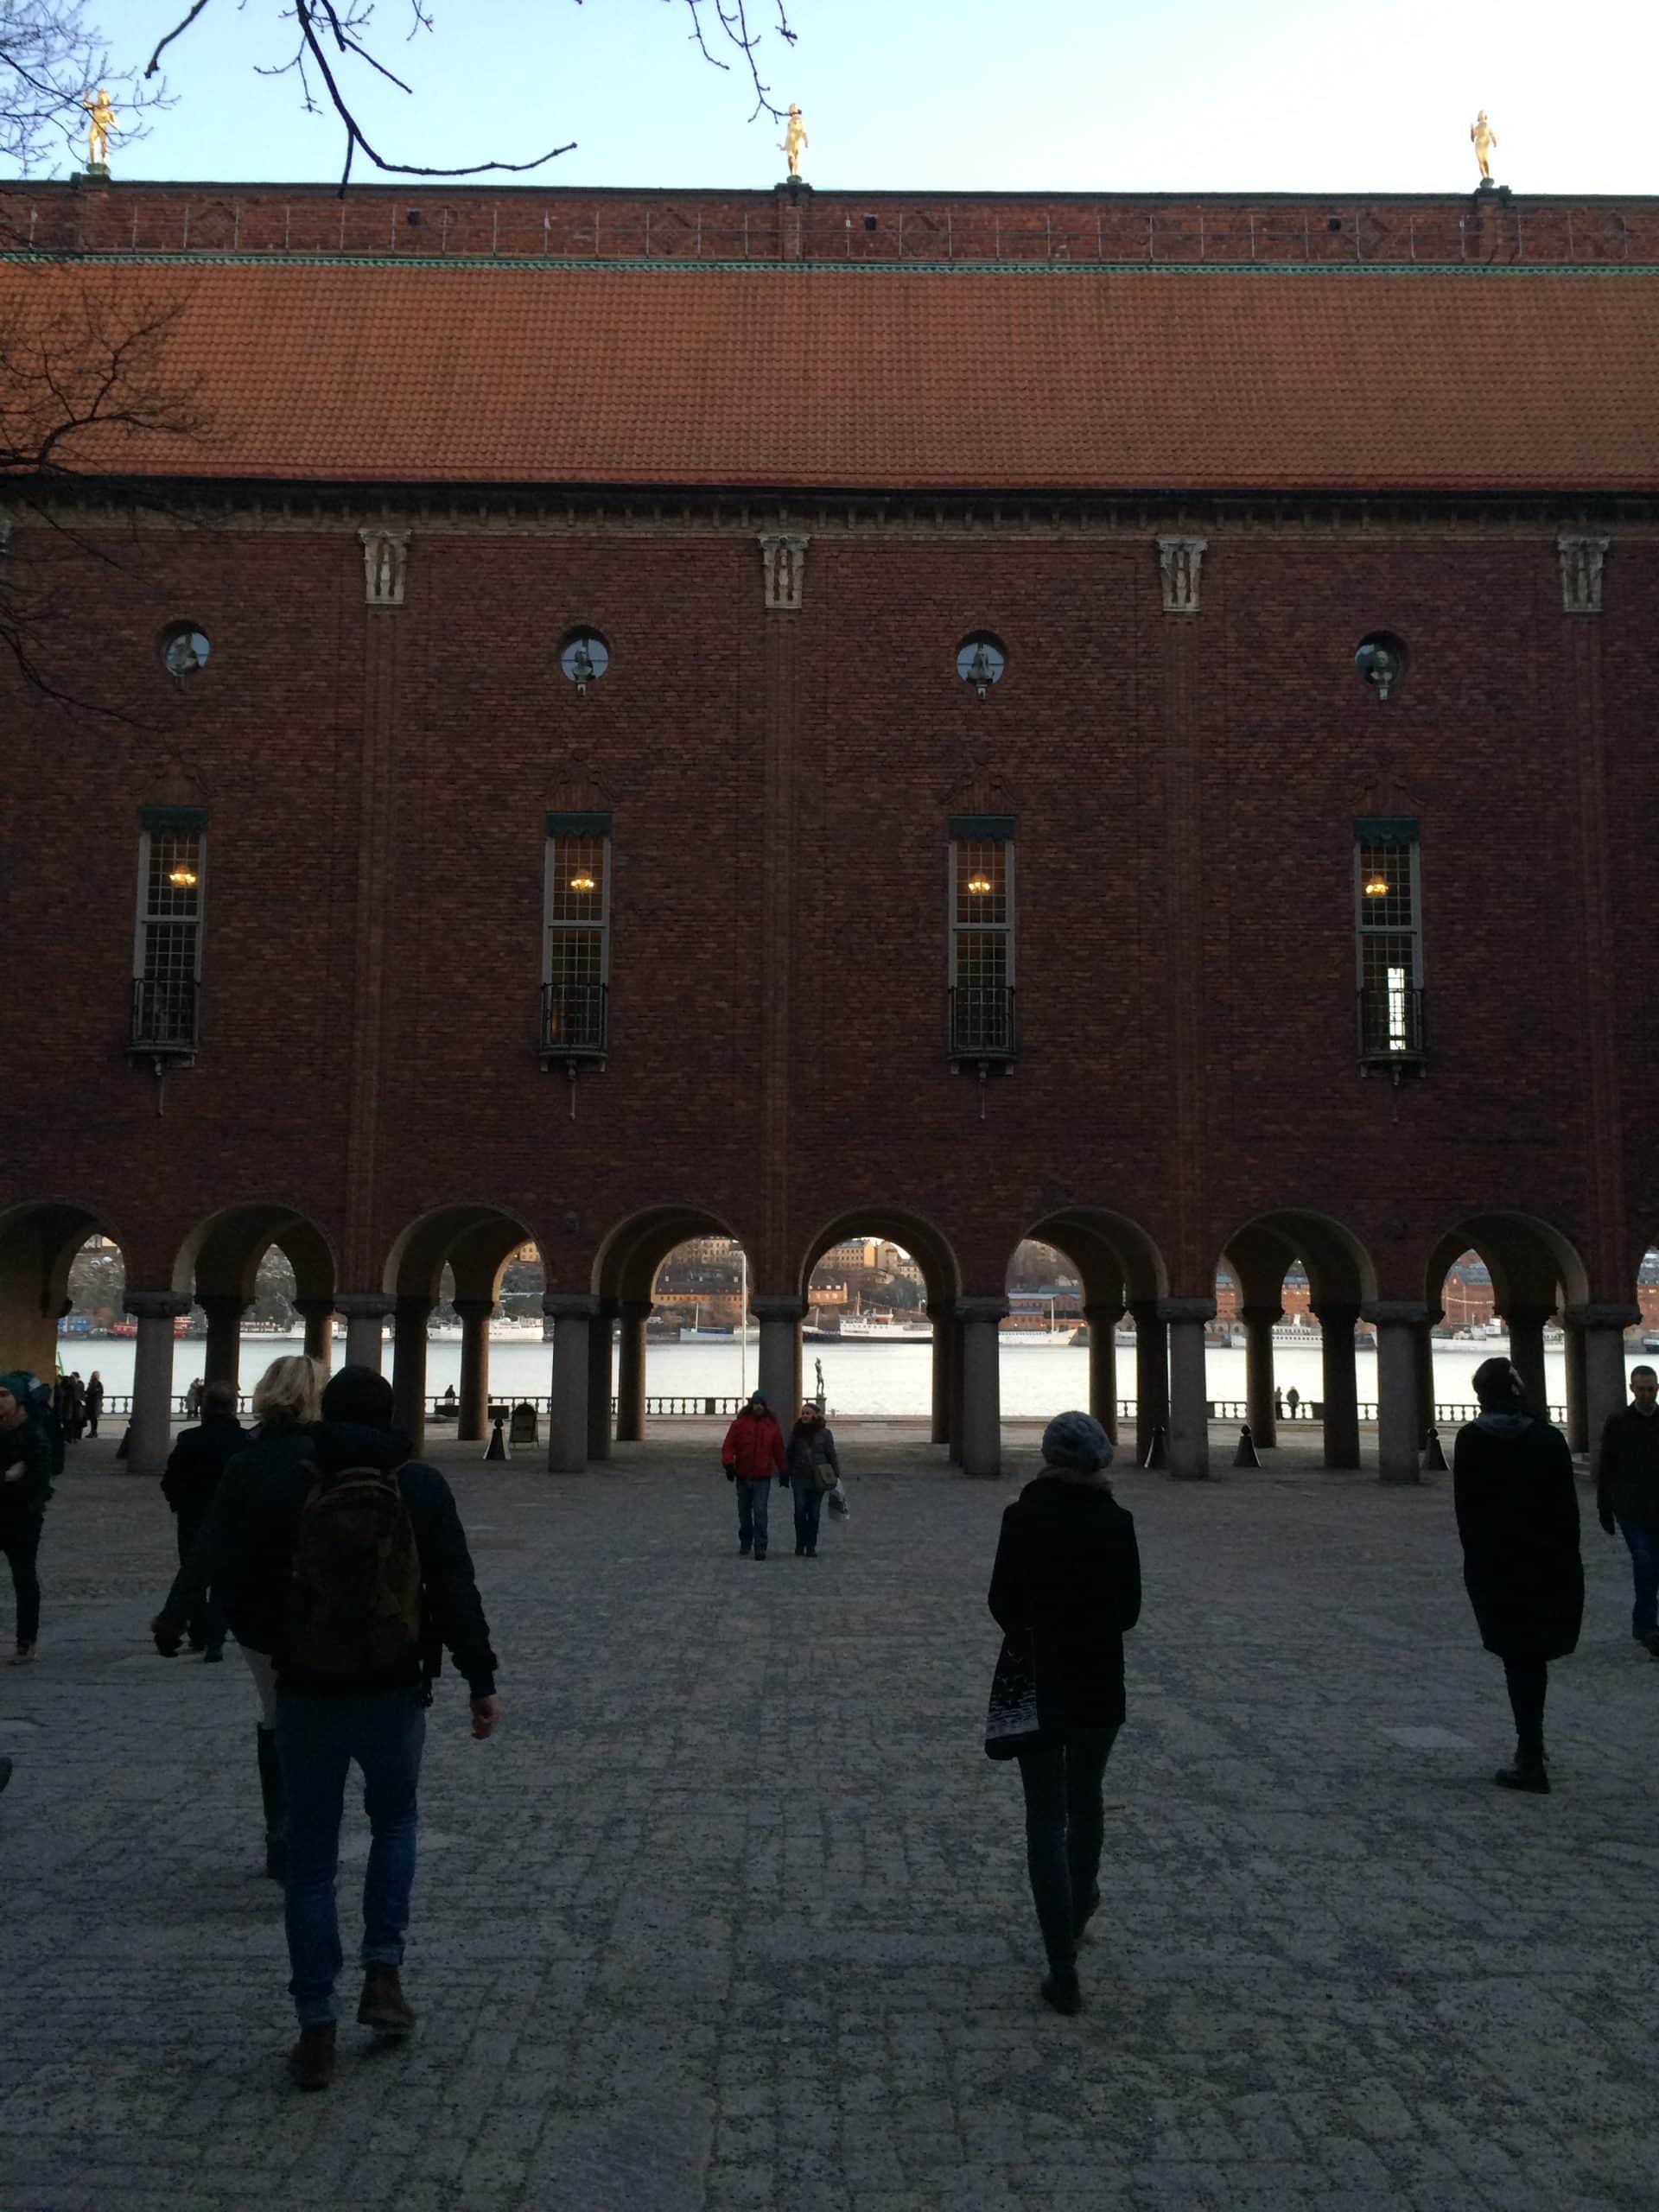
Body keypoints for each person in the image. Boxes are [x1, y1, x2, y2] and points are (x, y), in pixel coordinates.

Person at [213, 1364, 500, 2091]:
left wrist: (275, 1650)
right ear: (391, 1415)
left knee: (311, 1857)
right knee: (395, 1823)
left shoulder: (288, 1481)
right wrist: (480, 1679)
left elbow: (237, 1579)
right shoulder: (420, 1485)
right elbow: (455, 1586)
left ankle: (316, 2025)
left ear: (325, 1413)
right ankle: (384, 1976)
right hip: (394, 1686)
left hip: (306, 1689)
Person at [987, 1410, 1141, 2017]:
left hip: (1040, 1682)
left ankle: (1061, 1966)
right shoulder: (1117, 1521)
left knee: (1045, 1820)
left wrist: (1038, 1626)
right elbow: (1128, 1611)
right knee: (1087, 1800)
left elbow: (1002, 1602)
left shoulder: (1022, 1517)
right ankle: (1078, 1913)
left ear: (1050, 1456)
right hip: (1099, 1683)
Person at [153, 1354, 324, 1879]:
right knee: (322, 1716)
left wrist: (175, 1613)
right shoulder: (330, 1457)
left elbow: (210, 1541)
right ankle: (312, 1823)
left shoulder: (246, 1461)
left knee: (276, 1715)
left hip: (256, 1611)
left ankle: (281, 1824)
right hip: (321, 1608)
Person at [1453, 1357, 1582, 1794]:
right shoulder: (1547, 1438)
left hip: (1498, 1564)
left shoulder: (1471, 1440)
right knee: (1533, 1657)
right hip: (1545, 1562)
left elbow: (1467, 1513)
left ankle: (1529, 1752)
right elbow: (1567, 1511)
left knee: (1517, 1657)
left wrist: (1477, 1564)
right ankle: (1531, 1748)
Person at [159, 1379, 249, 1662]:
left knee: (193, 1573)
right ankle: (215, 1640)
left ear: (204, 1407)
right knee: (224, 1577)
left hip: (193, 1516)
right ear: (234, 1407)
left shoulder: (189, 1439)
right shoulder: (245, 1441)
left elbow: (171, 1479)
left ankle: (198, 1631)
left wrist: (178, 1503)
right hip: (232, 1519)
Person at [1596, 1364, 1659, 1651]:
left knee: (1652, 1565)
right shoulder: (1618, 1421)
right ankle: (1646, 1625)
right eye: (1641, 1389)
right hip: (1630, 1507)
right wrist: (1604, 1508)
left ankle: (1644, 1622)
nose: (1646, 1394)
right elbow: (1606, 1466)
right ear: (1632, 1389)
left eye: (1651, 1389)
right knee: (1644, 1561)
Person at [0, 1371, 55, 1664]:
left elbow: (38, 1479)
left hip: (23, 1518)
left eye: (4, 1395)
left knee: (24, 1578)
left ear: (19, 1399)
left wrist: (18, 1480)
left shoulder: (33, 1435)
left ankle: (26, 1642)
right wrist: (7, 1476)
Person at [721, 1391, 785, 1560]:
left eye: (761, 1404)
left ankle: (760, 1546)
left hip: (762, 1477)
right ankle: (746, 1541)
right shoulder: (739, 1425)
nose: (758, 1407)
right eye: (756, 1403)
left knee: (760, 1511)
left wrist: (784, 1471)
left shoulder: (772, 1427)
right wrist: (728, 1464)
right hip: (743, 1475)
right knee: (744, 1512)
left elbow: (778, 1451)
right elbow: (728, 1446)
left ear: (765, 1406)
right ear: (751, 1405)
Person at [785, 1399, 841, 1558]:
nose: (804, 1416)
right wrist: (787, 1472)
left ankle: (811, 1546)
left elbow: (831, 1454)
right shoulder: (796, 1432)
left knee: (814, 1513)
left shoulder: (825, 1434)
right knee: (800, 1511)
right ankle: (800, 1544)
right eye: (803, 1413)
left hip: (818, 1478)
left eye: (808, 1413)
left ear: (816, 1415)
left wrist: (836, 1473)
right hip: (799, 1477)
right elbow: (789, 1454)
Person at [84, 1371, 104, 1439]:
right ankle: (93, 1432)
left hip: (94, 1404)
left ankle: (94, 1432)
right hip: (94, 1404)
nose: (92, 1376)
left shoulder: (96, 1384)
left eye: (93, 1375)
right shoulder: (95, 1384)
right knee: (93, 1419)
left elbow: (91, 1392)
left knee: (93, 1419)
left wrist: (86, 1393)